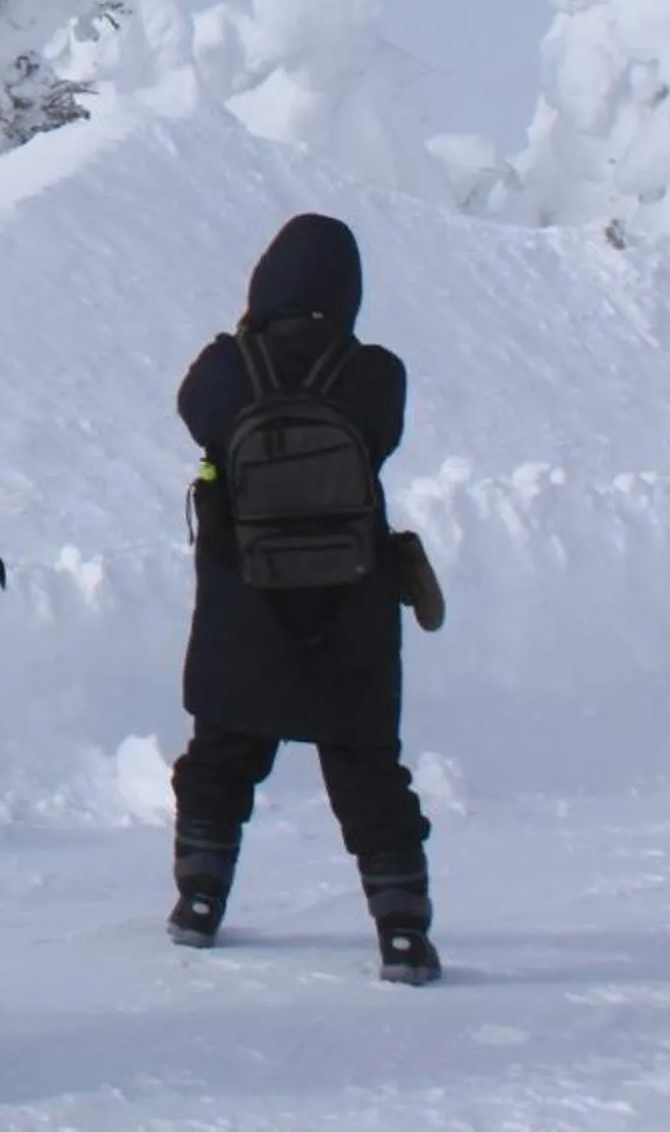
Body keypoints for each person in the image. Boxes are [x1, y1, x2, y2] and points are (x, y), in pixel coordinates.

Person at [169, 211, 439, 983]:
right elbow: (381, 436)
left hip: (243, 604)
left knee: (221, 757)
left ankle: (198, 902)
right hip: (350, 611)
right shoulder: (375, 374)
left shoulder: (226, 369)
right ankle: (402, 933)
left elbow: (195, 415)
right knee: (368, 771)